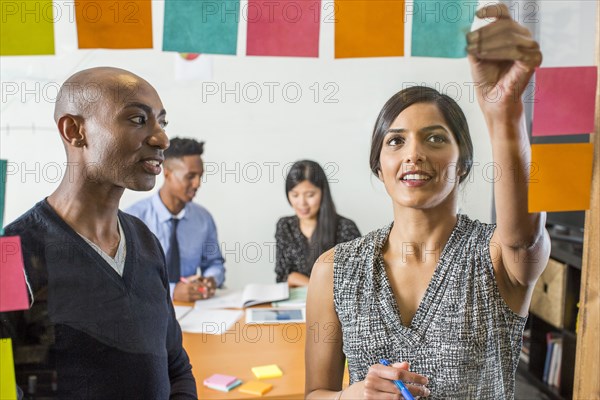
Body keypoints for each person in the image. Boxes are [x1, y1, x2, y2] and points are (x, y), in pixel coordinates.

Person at [305, 5, 550, 400]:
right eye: (396, 140)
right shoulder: (334, 270)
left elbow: (523, 237)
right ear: (379, 165)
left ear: (464, 163)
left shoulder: (497, 256)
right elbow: (316, 392)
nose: (413, 154)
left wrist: (504, 114)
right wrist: (351, 396)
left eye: (435, 138)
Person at [0, 67, 197, 398]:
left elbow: (175, 365)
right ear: (74, 130)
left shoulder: (145, 241)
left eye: (162, 122)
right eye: (138, 119)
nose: (161, 138)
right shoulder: (12, 254)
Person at [127, 138, 225, 302]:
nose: (197, 184)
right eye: (190, 176)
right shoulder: (133, 219)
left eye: (200, 176)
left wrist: (211, 280)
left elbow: (215, 263)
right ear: (167, 173)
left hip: (195, 309)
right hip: (147, 307)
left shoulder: (203, 219)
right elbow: (129, 277)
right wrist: (172, 291)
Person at [275, 160, 361, 287]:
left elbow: (356, 277)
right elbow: (283, 277)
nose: (302, 203)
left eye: (310, 195)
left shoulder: (345, 228)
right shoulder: (285, 226)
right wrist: (315, 287)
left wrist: (301, 282)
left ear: (323, 192)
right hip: (296, 304)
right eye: (295, 195)